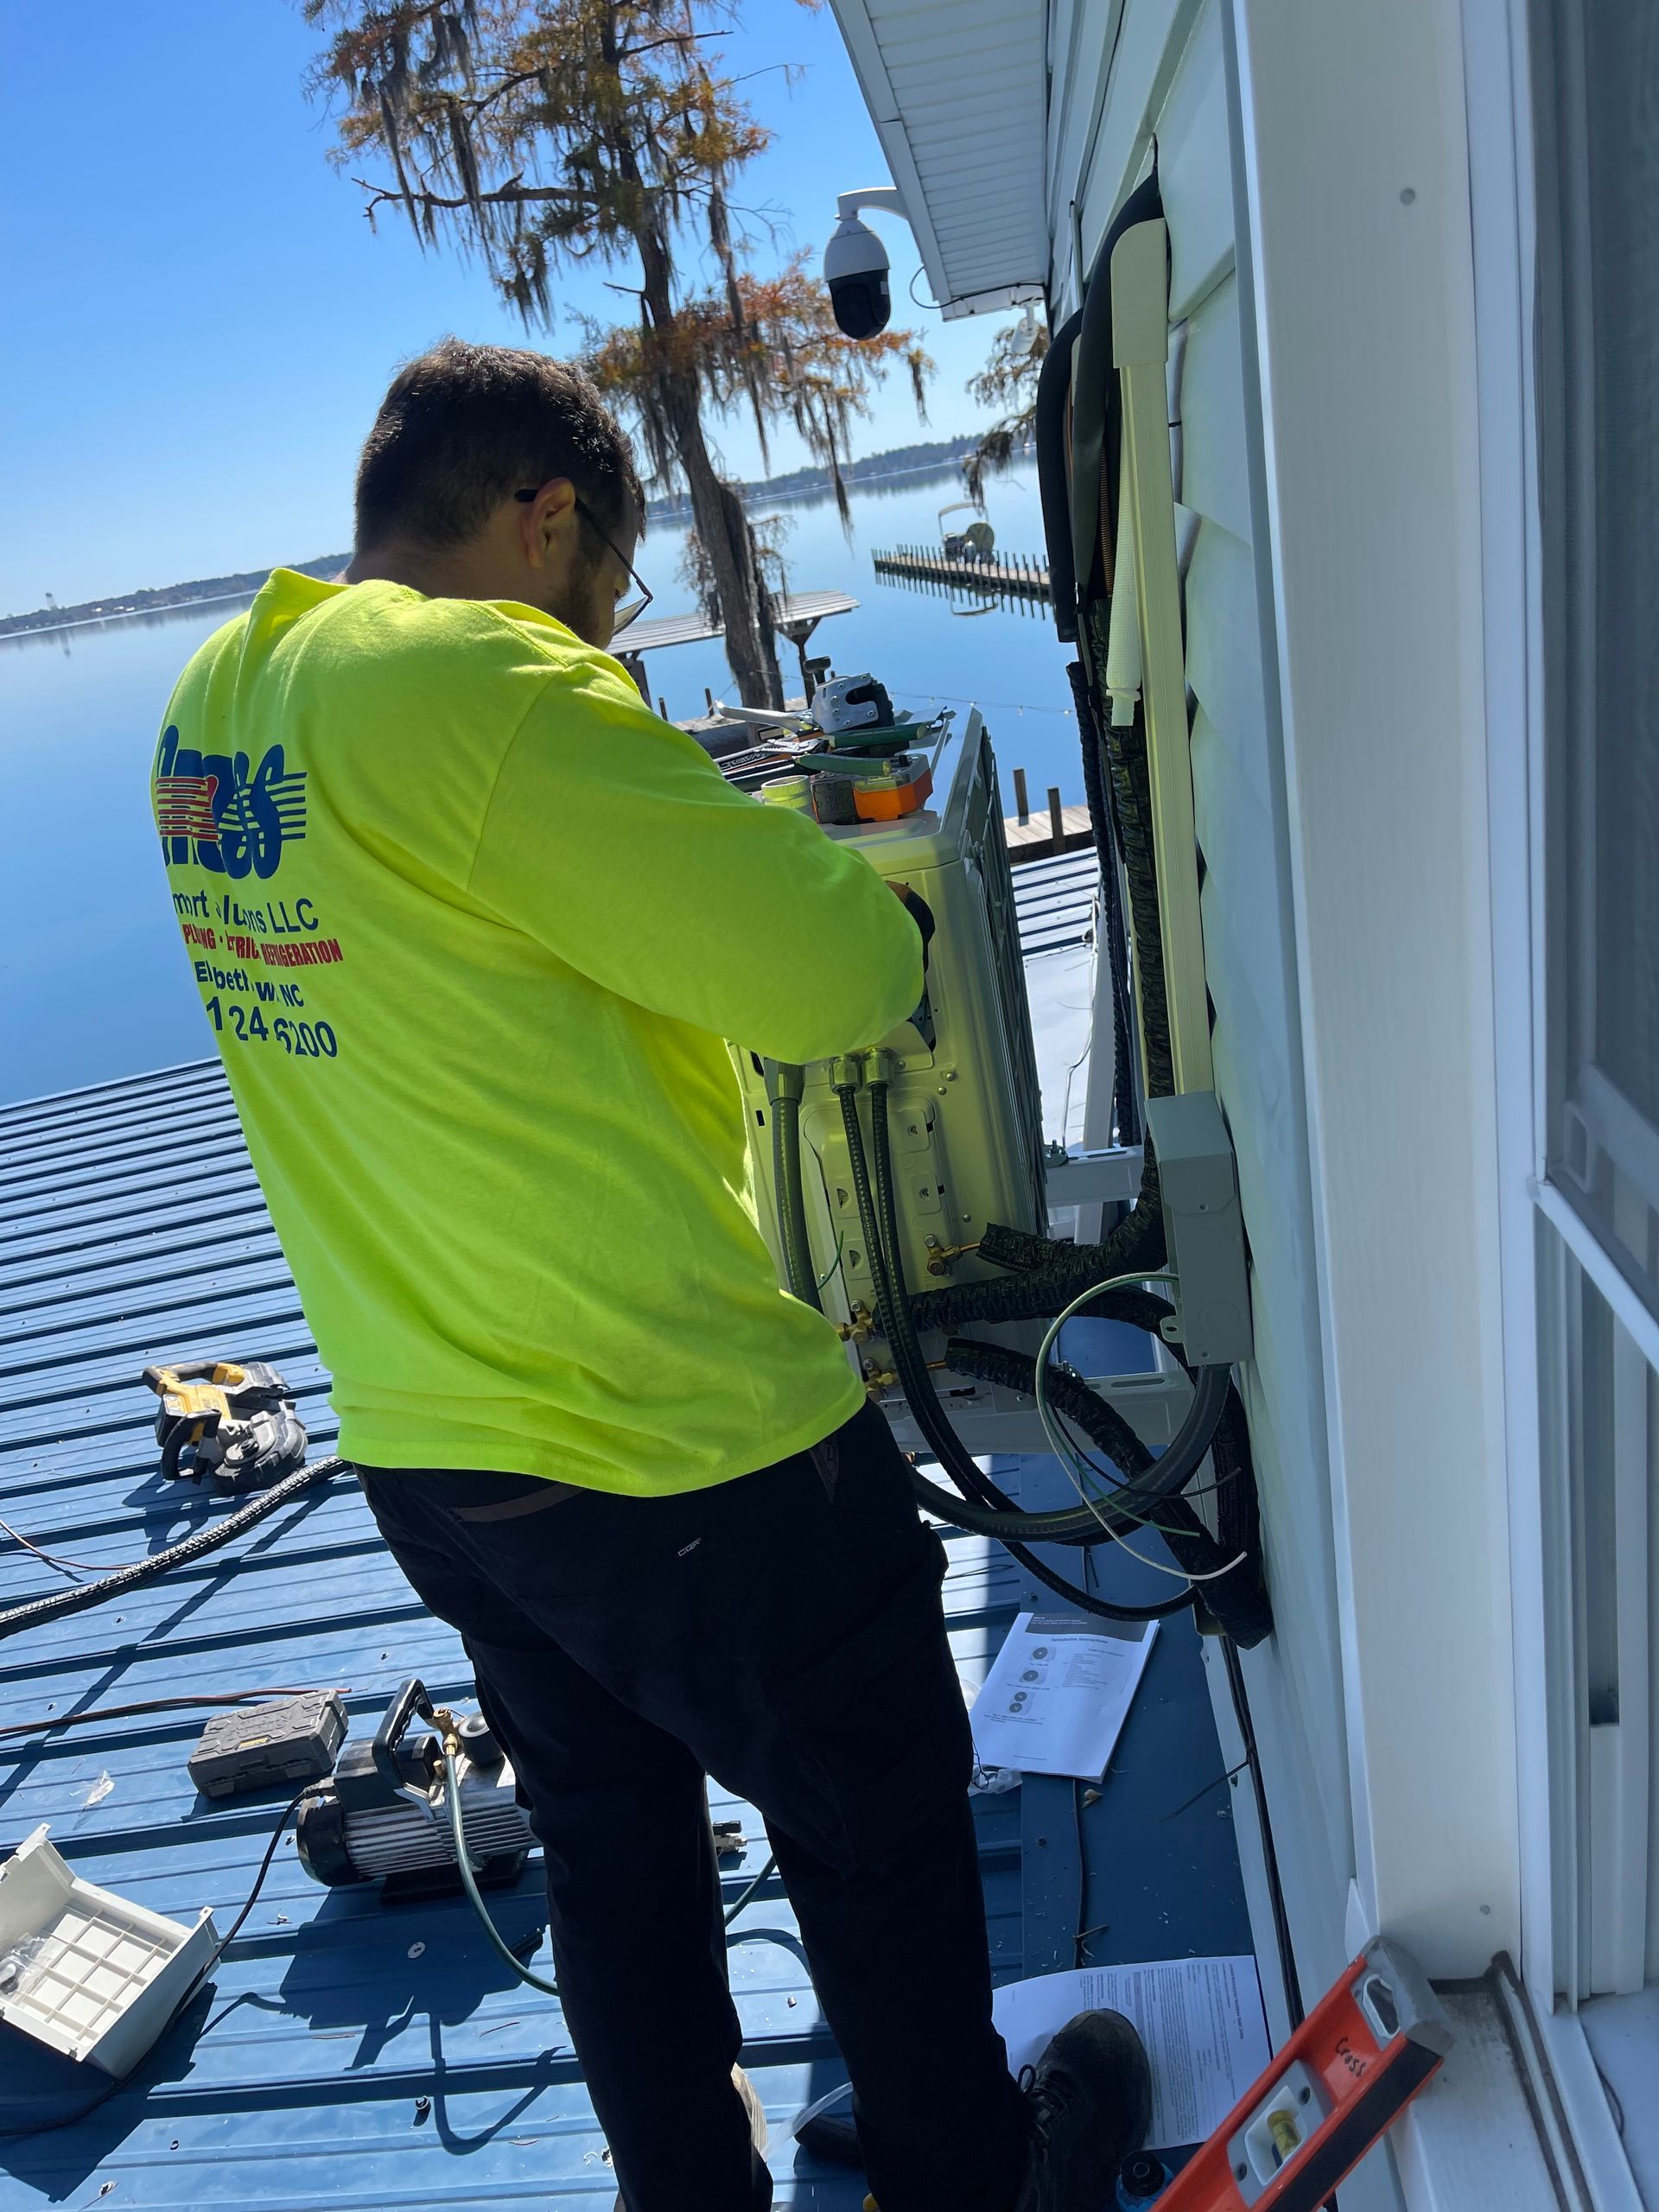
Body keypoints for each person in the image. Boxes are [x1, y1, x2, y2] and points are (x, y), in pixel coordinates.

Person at [150, 338, 1150, 2212]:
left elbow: (439, 943)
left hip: (436, 1451)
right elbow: (840, 977)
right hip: (677, 1441)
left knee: (616, 1851)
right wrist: (748, 837)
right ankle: (972, 2175)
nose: (613, 629)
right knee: (878, 1822)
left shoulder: (217, 704)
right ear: (544, 520)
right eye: (611, 583)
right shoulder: (485, 683)